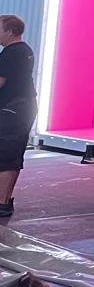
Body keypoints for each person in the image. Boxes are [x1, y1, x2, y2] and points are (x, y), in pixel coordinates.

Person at [0, 14, 37, 219]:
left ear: (10, 31)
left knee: (5, 155)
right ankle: (4, 199)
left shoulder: (11, 53)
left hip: (13, 109)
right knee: (12, 153)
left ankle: (2, 202)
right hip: (24, 107)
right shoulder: (25, 51)